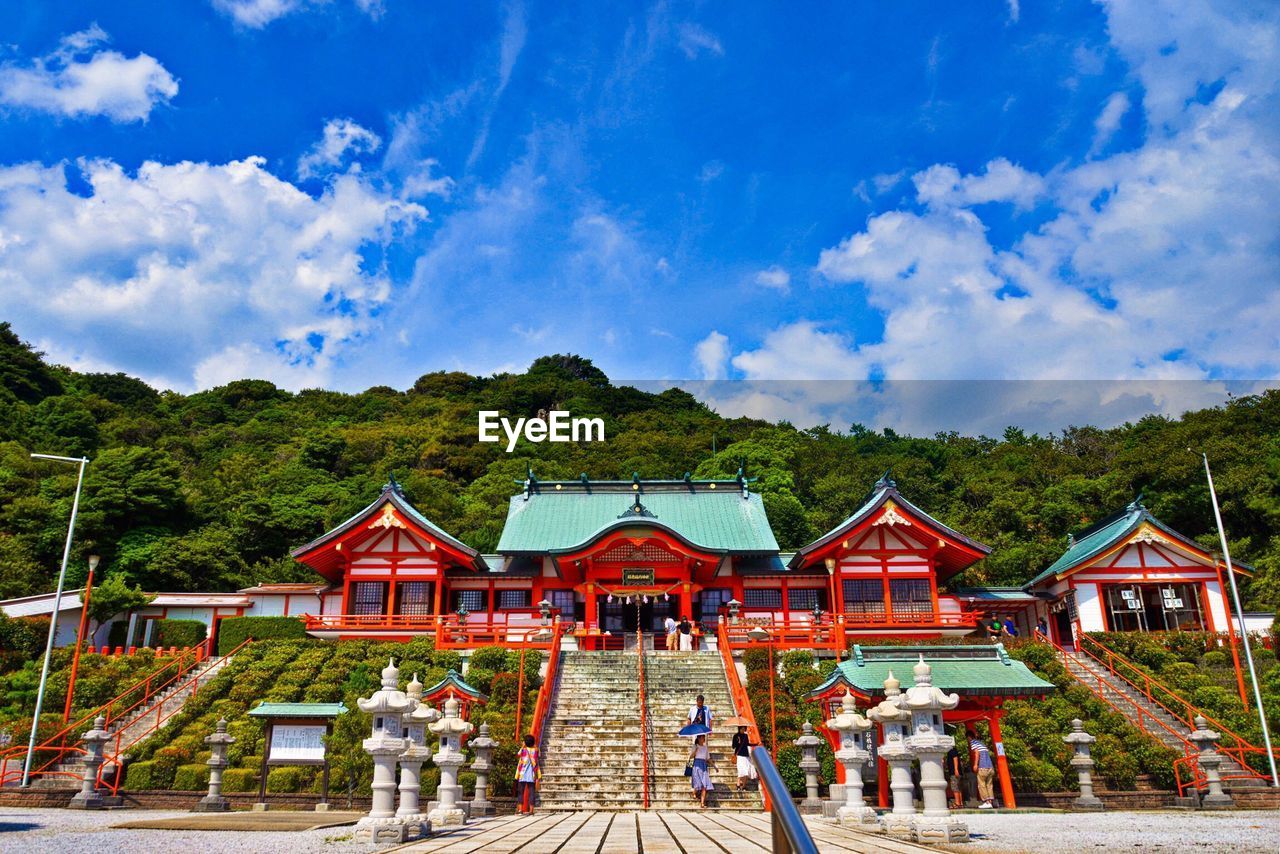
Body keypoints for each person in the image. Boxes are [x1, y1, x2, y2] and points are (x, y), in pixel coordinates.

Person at [967, 725, 995, 809]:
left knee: (981, 785)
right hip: (990, 767)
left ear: (969, 737)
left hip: (982, 766)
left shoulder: (973, 743)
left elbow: (977, 753)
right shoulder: (981, 743)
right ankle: (990, 802)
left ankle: (986, 801)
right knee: (989, 785)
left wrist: (975, 764)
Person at [514, 734, 541, 814]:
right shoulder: (536, 750)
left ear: (525, 742)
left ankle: (520, 809)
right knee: (532, 792)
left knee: (520, 792)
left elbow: (518, 755)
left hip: (522, 774)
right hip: (532, 774)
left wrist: (523, 746)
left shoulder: (523, 750)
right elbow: (539, 755)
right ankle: (531, 810)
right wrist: (535, 746)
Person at [688, 733, 715, 807]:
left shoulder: (705, 747)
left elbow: (708, 758)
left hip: (703, 766)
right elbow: (691, 757)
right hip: (696, 765)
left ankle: (702, 803)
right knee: (698, 784)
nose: (704, 739)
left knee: (704, 785)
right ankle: (694, 792)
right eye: (703, 737)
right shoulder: (695, 746)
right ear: (699, 738)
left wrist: (714, 766)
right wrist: (695, 751)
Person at [731, 725, 755, 790]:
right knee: (741, 770)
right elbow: (733, 746)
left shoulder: (745, 736)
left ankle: (744, 785)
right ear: (739, 729)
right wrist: (738, 742)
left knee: (746, 771)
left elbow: (747, 744)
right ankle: (738, 784)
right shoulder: (736, 736)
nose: (743, 730)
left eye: (744, 729)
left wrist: (755, 744)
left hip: (746, 755)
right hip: (739, 755)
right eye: (742, 729)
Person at [946, 737, 964, 808]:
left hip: (954, 772)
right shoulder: (953, 750)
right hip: (957, 771)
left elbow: (955, 758)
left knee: (955, 787)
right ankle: (960, 802)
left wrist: (956, 769)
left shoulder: (952, 750)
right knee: (958, 787)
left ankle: (957, 803)